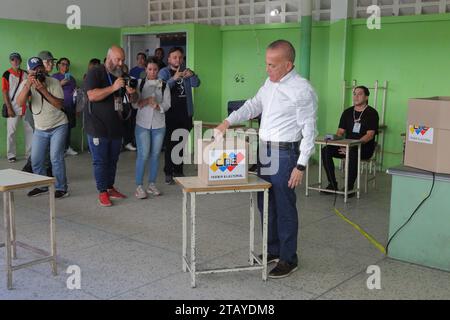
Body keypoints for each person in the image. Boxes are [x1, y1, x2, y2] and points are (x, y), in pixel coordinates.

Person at [215, 40, 318, 279]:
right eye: (266, 64)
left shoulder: (302, 90)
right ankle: (273, 250)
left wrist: (301, 165)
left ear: (288, 64)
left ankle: (289, 258)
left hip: (285, 154)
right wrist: (227, 121)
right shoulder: (269, 84)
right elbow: (252, 106)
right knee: (265, 203)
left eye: (272, 65)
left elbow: (310, 130)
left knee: (284, 207)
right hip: (265, 152)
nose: (267, 69)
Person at [85, 45, 138, 207]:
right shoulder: (95, 72)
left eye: (123, 60)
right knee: (100, 161)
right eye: (118, 59)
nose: (121, 63)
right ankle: (102, 192)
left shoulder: (122, 74)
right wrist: (113, 87)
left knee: (113, 160)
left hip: (116, 125)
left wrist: (131, 92)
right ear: (108, 58)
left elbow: (135, 100)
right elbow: (92, 95)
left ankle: (110, 187)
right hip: (97, 126)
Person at [16, 57, 69, 199]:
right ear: (29, 71)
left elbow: (59, 105)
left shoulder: (54, 82)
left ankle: (61, 188)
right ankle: (42, 185)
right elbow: (20, 102)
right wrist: (28, 85)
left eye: (40, 68)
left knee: (55, 157)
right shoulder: (26, 84)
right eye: (34, 69)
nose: (38, 71)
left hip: (59, 125)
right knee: (36, 159)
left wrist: (43, 90)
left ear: (44, 69)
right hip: (40, 128)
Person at [321, 86, 379, 196]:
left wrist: (352, 146)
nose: (356, 97)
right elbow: (340, 133)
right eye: (354, 94)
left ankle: (349, 187)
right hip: (346, 146)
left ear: (366, 97)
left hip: (363, 148)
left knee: (353, 153)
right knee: (326, 150)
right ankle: (332, 184)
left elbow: (369, 135)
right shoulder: (347, 112)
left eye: (359, 94)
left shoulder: (372, 113)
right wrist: (339, 144)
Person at [158, 47, 200, 185]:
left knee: (181, 144)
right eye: (174, 57)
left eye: (180, 57)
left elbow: (197, 84)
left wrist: (193, 75)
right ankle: (168, 172)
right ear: (169, 59)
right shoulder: (164, 72)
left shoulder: (186, 71)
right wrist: (173, 78)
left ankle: (178, 170)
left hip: (185, 113)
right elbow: (161, 88)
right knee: (170, 145)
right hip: (170, 114)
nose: (178, 59)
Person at [133, 57, 171, 199]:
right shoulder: (139, 83)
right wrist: (145, 101)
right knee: (143, 155)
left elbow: (167, 104)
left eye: (155, 69)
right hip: (142, 124)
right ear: (145, 70)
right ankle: (139, 186)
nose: (153, 72)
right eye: (150, 69)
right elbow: (134, 104)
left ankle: (152, 184)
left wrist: (157, 106)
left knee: (155, 155)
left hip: (159, 125)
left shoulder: (164, 85)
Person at [2, 52, 33, 163]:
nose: (15, 61)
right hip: (13, 108)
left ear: (20, 61)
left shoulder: (25, 73)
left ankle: (29, 153)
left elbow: (30, 91)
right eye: (13, 60)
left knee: (29, 131)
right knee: (11, 132)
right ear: (10, 61)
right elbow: (5, 92)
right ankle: (11, 155)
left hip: (26, 107)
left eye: (17, 59)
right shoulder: (6, 74)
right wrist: (9, 108)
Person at [53, 57, 78, 156]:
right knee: (60, 129)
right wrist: (60, 83)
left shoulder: (71, 78)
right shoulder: (54, 77)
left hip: (70, 106)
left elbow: (75, 92)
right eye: (63, 64)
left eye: (67, 64)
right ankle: (60, 149)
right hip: (59, 107)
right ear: (58, 65)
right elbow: (50, 90)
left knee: (68, 128)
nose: (65, 66)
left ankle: (67, 147)